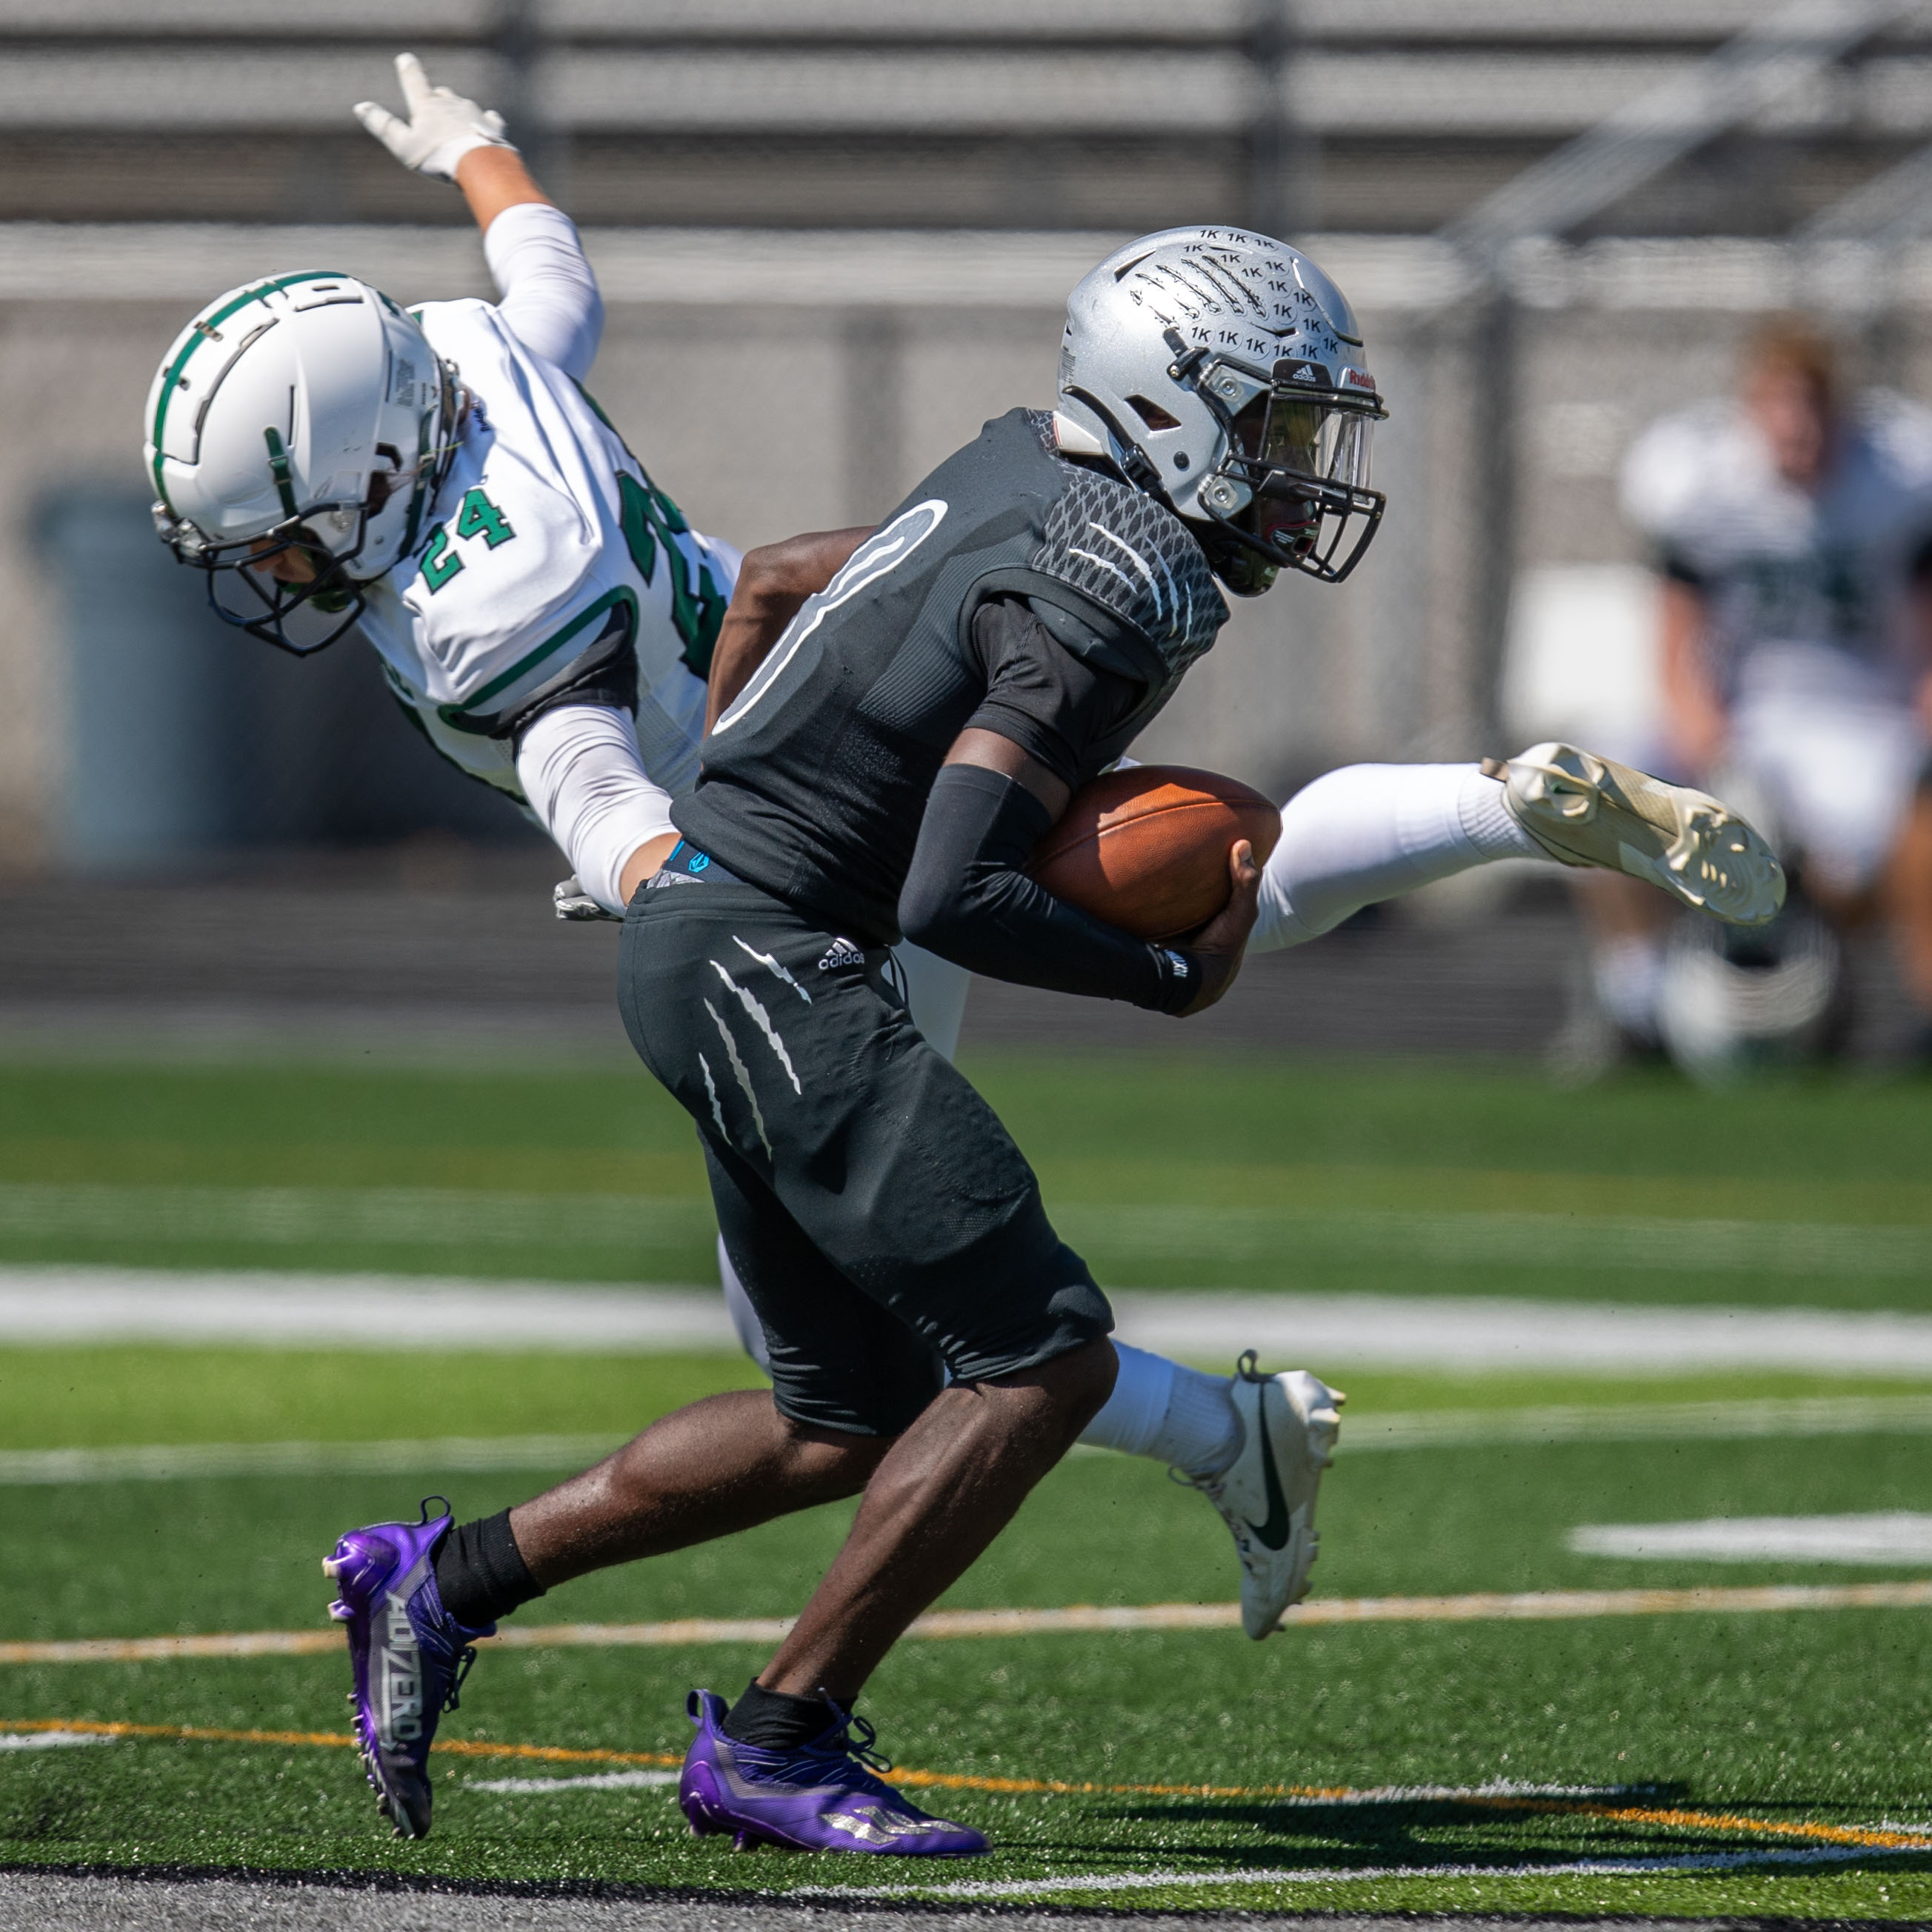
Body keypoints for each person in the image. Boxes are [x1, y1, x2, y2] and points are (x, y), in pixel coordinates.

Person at [142, 60, 1780, 1856]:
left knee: (880, 1377)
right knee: (994, 1326)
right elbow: (551, 276)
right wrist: (470, 147)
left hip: (759, 852)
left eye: (288, 532)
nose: (286, 574)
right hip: (797, 808)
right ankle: (858, 1656)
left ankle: (492, 1594)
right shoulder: (482, 372)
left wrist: (660, 878)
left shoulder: (483, 607)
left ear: (370, 464)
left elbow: (596, 780)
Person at [1566, 316, 1932, 1074]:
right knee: (1585, 777)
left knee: (1897, 833)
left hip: (1864, 718)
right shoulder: (1704, 481)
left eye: (1812, 405)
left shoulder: (1895, 482)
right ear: (1751, 408)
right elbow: (1675, 642)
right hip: (1743, 720)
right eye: (1778, 403)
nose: (1795, 426)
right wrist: (1713, 745)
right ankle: (1638, 1006)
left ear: (1841, 410)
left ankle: (1910, 1012)